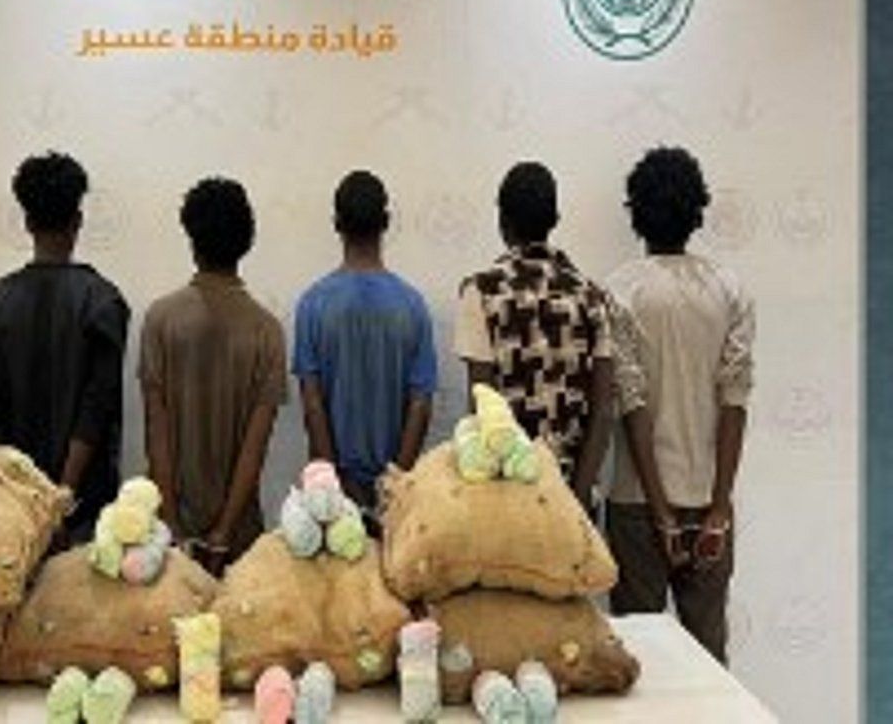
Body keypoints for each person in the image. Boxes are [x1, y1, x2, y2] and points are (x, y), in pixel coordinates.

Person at [605, 146, 755, 665]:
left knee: (637, 663)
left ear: (636, 212)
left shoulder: (620, 291)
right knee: (710, 659)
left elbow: (632, 406)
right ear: (697, 210)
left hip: (636, 503)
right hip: (708, 499)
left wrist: (662, 515)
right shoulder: (729, 289)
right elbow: (735, 400)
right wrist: (719, 507)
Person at [0, 152, 129, 541]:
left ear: (26, 222)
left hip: (10, 507)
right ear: (78, 221)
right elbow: (97, 407)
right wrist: (61, 496)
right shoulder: (104, 302)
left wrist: (24, 495)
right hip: (85, 511)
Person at [138, 177, 286, 576]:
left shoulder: (160, 320)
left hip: (168, 538)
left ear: (191, 238)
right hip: (240, 539)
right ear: (248, 240)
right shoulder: (267, 331)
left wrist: (171, 523)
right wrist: (222, 533)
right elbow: (255, 448)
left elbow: (157, 432)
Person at [453, 162, 613, 508]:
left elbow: (482, 403)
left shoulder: (480, 292)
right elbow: (603, 411)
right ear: (555, 219)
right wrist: (577, 498)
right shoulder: (591, 296)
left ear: (502, 221)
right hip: (574, 492)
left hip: (507, 495)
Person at [293, 170, 436, 526]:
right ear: (386, 222)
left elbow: (312, 404)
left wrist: (337, 487)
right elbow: (420, 405)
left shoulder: (313, 305)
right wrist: (393, 484)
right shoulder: (413, 306)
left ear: (336, 224)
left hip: (332, 499)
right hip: (394, 496)